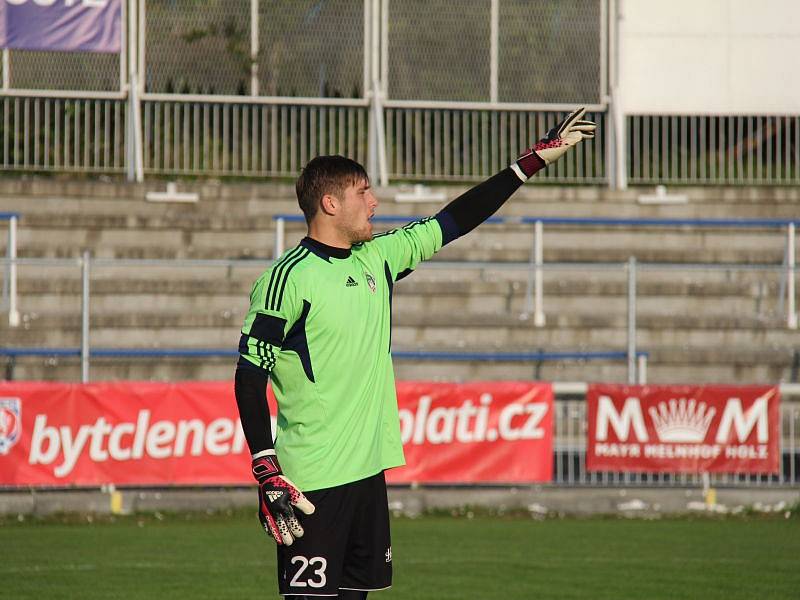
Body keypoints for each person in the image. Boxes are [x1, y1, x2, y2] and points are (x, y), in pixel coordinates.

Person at [234, 107, 596, 599]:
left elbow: (455, 219)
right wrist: (266, 467)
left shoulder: (379, 257)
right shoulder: (288, 278)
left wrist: (530, 162)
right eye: (363, 193)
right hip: (313, 483)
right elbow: (250, 376)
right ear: (330, 203)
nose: (375, 203)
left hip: (366, 475)